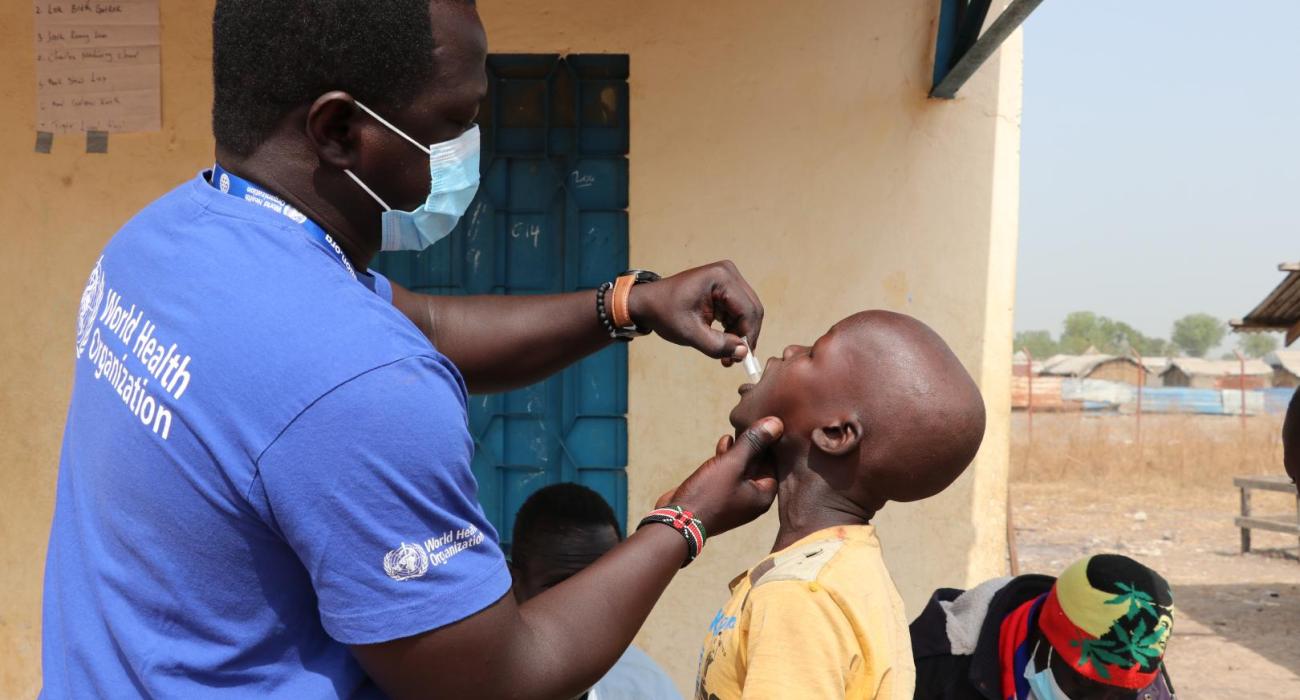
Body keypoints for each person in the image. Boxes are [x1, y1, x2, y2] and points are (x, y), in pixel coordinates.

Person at [42, 2, 784, 698]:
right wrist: (689, 517)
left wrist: (628, 303)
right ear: (338, 130)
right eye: (452, 123)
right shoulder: (359, 384)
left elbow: (420, 321)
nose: (463, 153)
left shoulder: (163, 240)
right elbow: (504, 676)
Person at [693, 310, 987, 699]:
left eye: (813, 354)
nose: (789, 349)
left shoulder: (800, 597)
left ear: (834, 433)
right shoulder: (842, 574)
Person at [910, 554, 1176, 700]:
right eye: (1084, 686)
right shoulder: (935, 671)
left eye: (1119, 697)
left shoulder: (1145, 682)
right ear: (1042, 637)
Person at [511, 483, 684, 700]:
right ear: (513, 583)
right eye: (560, 588)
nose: (584, 610)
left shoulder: (646, 688)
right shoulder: (474, 682)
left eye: (604, 590)